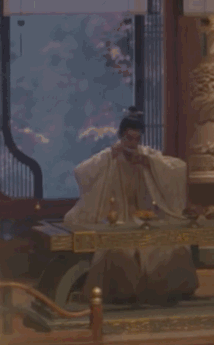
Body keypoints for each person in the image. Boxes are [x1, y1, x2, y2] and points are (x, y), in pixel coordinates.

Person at [64, 107, 198, 306]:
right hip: (120, 218)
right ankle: (124, 295)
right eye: (128, 138)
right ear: (121, 136)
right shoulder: (110, 156)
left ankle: (165, 293)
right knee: (119, 251)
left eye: (137, 139)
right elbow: (81, 172)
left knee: (168, 246)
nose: (132, 144)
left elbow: (178, 168)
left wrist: (149, 163)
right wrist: (109, 155)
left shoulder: (146, 155)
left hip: (146, 217)